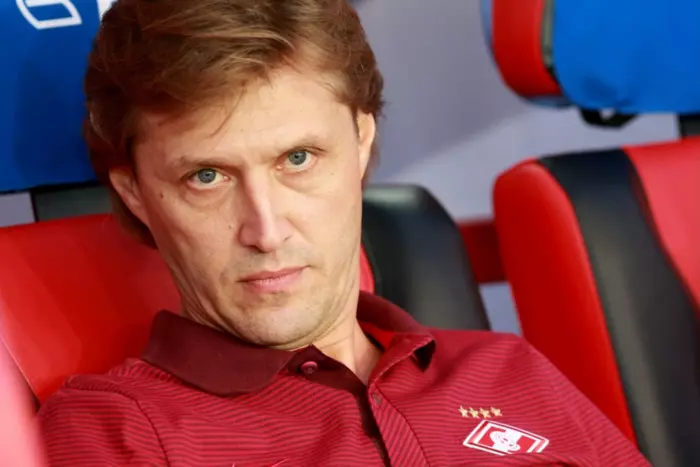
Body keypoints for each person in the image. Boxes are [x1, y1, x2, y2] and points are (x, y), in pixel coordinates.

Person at [38, 0, 651, 465]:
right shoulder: (113, 431)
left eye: (298, 159)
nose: (266, 231)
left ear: (361, 141)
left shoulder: (508, 370)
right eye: (207, 176)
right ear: (135, 193)